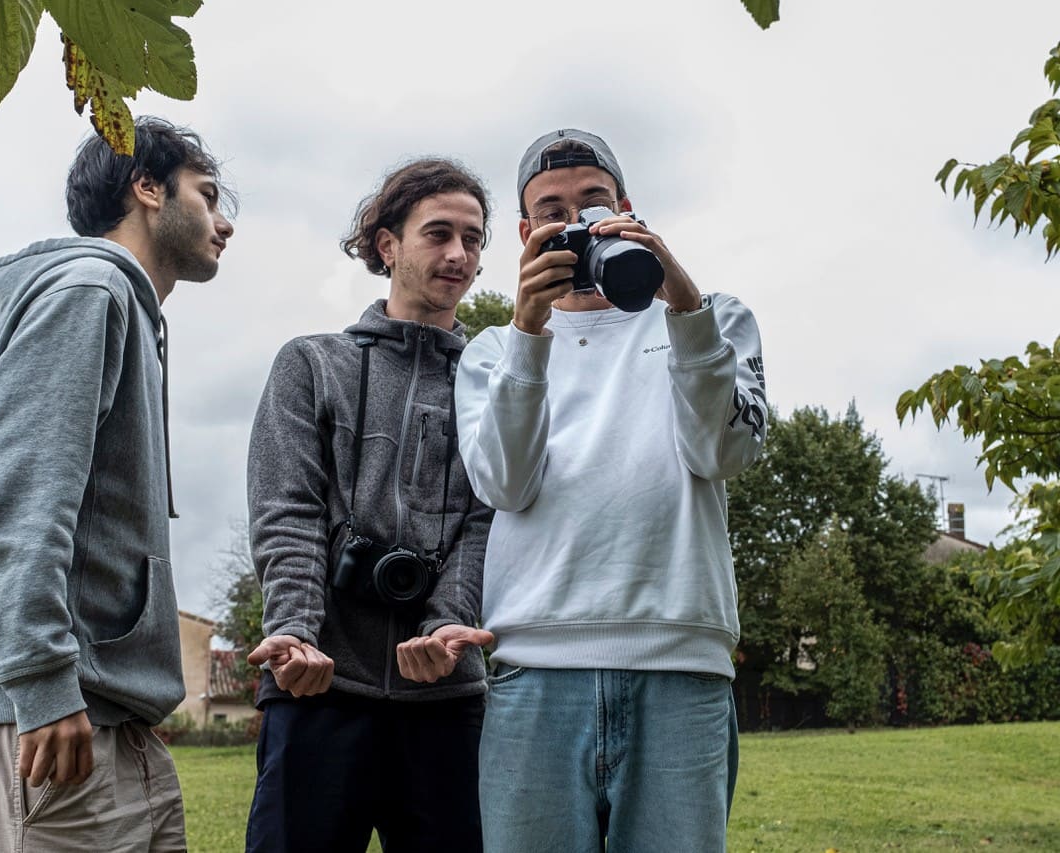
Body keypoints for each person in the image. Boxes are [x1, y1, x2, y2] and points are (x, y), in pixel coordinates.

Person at [0, 116, 235, 852]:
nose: (224, 224)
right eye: (208, 194)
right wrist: (41, 681)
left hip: (111, 720)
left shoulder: (126, 310)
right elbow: (8, 484)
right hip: (39, 721)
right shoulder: (88, 289)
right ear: (148, 187)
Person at [454, 128, 768, 852]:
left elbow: (724, 449)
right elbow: (503, 480)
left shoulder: (714, 319)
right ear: (529, 234)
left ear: (627, 208)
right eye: (554, 210)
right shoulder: (495, 349)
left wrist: (684, 308)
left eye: (593, 202)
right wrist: (530, 332)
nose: (578, 220)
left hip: (680, 660)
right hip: (535, 668)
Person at [244, 158, 496, 853]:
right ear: (387, 245)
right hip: (316, 690)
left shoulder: (497, 381)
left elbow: (488, 518)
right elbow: (286, 509)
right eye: (438, 233)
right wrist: (295, 630)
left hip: (447, 702)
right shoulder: (310, 363)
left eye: (473, 239)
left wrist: (449, 623)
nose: (458, 254)